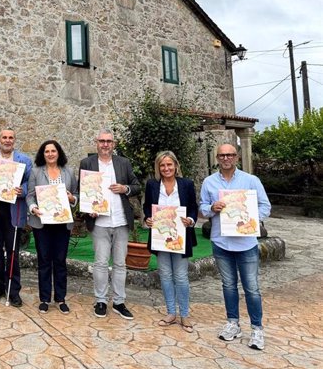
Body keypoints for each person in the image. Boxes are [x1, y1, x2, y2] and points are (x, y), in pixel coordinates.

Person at [200, 143, 271, 350]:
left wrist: (252, 219)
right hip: (221, 242)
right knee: (228, 286)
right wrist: (212, 207)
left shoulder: (251, 180)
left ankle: (257, 329)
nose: (226, 158)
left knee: (252, 288)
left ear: (237, 157)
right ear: (217, 158)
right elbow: (203, 208)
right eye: (222, 155)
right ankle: (233, 323)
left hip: (246, 243)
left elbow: (265, 206)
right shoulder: (209, 182)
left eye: (230, 154)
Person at [80, 129, 140, 320]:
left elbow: (137, 186)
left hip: (121, 220)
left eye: (109, 141)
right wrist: (89, 207)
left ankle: (119, 302)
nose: (105, 144)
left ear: (113, 144)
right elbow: (81, 191)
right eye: (102, 141)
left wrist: (125, 188)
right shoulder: (87, 163)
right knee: (100, 263)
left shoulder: (123, 163)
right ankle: (101, 301)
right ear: (96, 143)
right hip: (99, 221)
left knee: (120, 263)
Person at [143, 151, 198, 332]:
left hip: (181, 237)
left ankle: (184, 314)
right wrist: (148, 219)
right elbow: (147, 209)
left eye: (169, 165)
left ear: (176, 165)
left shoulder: (186, 184)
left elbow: (192, 208)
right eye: (162, 165)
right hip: (161, 237)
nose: (166, 168)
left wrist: (190, 220)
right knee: (165, 275)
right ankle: (170, 313)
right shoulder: (152, 185)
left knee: (181, 276)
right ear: (158, 168)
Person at [0, 128, 32, 307]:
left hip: (13, 211)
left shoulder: (24, 160)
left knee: (12, 252)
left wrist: (22, 191)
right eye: (4, 137)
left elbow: (28, 183)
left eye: (11, 137)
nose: (7, 140)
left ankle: (13, 290)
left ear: (14, 140)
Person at [26, 140, 78, 314]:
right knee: (44, 260)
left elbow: (76, 195)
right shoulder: (35, 172)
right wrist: (33, 209)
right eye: (47, 151)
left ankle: (61, 298)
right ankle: (45, 299)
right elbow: (30, 196)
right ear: (43, 154)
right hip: (42, 222)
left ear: (58, 153)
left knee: (60, 261)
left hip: (62, 223)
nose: (50, 154)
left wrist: (72, 199)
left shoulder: (69, 172)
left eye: (53, 151)